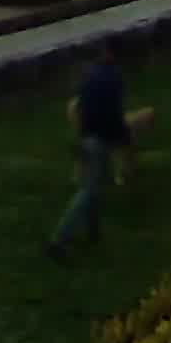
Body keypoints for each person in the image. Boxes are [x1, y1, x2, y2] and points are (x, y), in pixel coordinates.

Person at [47, 51, 134, 257]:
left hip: (85, 137)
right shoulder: (114, 81)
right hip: (100, 140)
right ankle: (58, 240)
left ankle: (93, 232)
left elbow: (79, 108)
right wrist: (124, 140)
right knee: (88, 191)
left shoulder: (89, 77)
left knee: (95, 185)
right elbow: (114, 116)